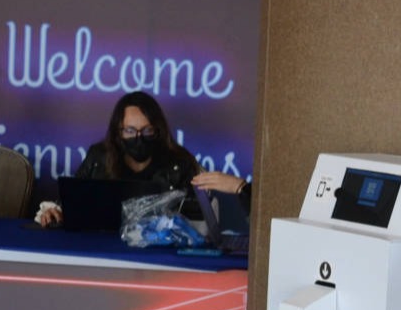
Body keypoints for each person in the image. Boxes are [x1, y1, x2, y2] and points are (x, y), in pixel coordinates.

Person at [36, 91, 245, 227]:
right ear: (118, 132)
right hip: (103, 250)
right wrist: (54, 212)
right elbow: (71, 202)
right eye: (130, 130)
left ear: (158, 130)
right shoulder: (99, 156)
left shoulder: (180, 163)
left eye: (146, 131)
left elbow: (199, 224)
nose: (138, 138)